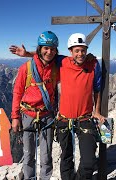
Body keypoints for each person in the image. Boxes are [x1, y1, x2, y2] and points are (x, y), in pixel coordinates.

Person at [10, 32, 105, 180]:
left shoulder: (92, 64)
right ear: (70, 51)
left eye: (83, 50)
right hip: (57, 118)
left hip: (79, 117)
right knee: (60, 156)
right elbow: (45, 55)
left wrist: (97, 111)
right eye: (77, 50)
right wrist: (27, 53)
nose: (80, 54)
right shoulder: (61, 63)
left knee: (87, 162)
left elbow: (97, 89)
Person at [11, 31, 63, 180]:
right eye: (46, 48)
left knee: (46, 155)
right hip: (28, 115)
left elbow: (75, 58)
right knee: (28, 155)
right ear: (39, 48)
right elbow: (17, 93)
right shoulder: (26, 68)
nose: (49, 52)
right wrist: (15, 117)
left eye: (52, 49)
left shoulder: (56, 68)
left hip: (47, 115)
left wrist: (28, 53)